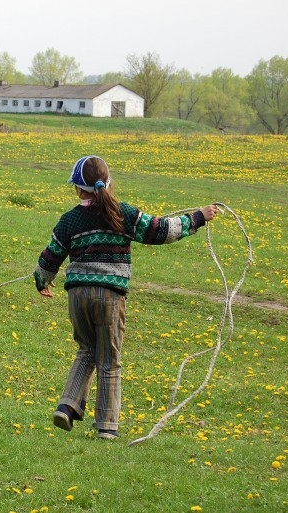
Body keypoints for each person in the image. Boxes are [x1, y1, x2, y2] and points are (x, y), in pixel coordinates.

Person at [34, 155, 218, 439]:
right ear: (108, 182)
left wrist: (41, 280)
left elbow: (51, 255)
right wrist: (198, 218)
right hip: (110, 296)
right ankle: (107, 426)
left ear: (77, 189)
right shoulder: (125, 214)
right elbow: (163, 231)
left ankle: (67, 405)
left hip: (77, 295)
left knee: (86, 350)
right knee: (109, 358)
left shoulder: (69, 220)